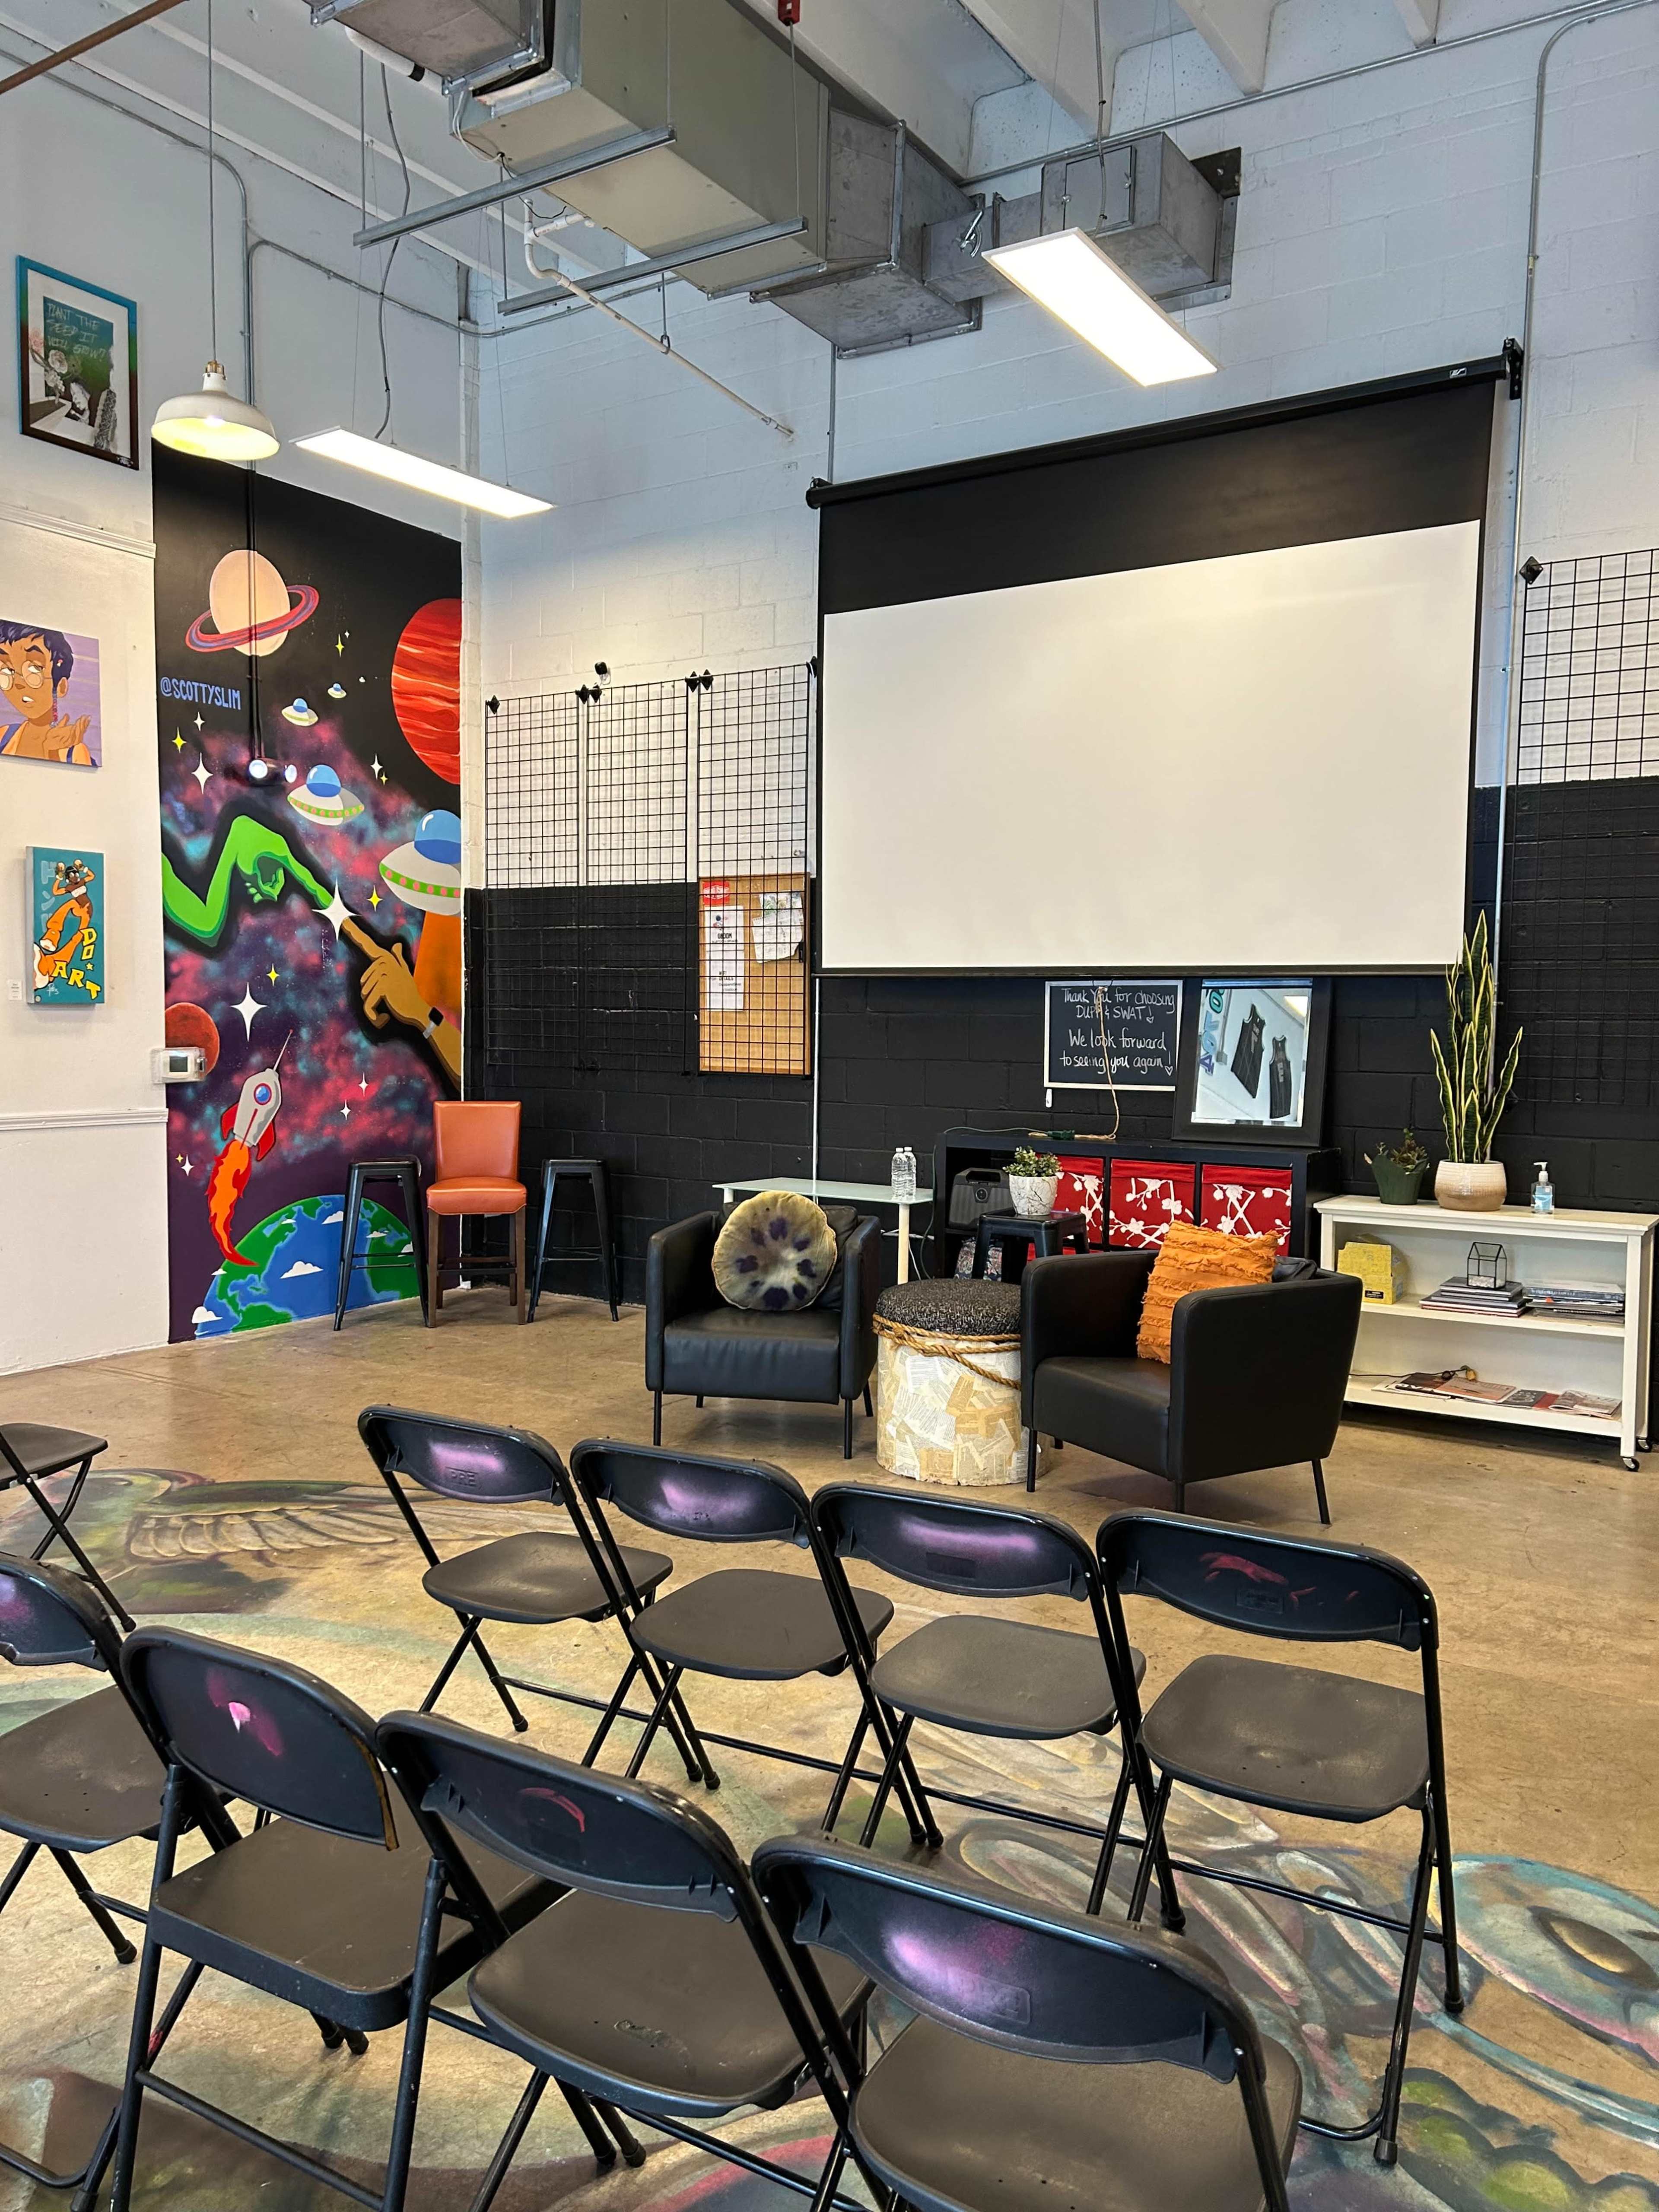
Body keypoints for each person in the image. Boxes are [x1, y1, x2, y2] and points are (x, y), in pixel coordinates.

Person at [0, 623, 94, 764]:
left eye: (34, 669)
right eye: (7, 671)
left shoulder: (74, 752)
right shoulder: (3, 737)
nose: (18, 683)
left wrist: (52, 753)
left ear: (61, 687)